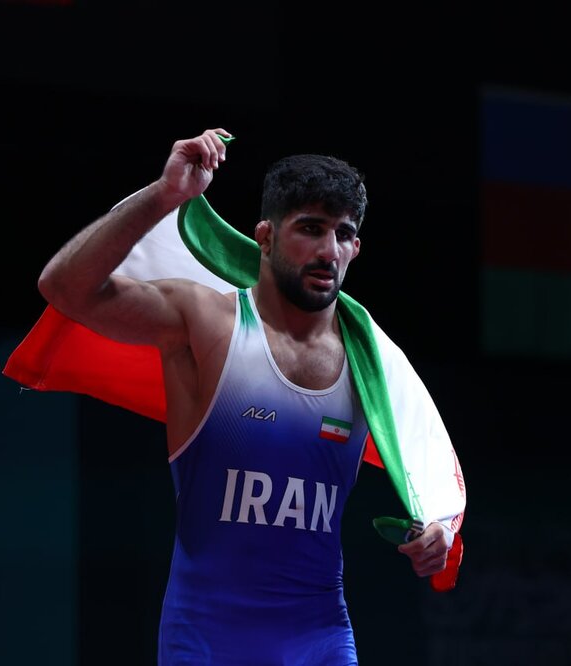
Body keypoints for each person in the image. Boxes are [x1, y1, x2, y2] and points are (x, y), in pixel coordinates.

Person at [34, 128, 461, 665]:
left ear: (356, 248)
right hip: (206, 641)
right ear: (265, 236)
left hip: (320, 639)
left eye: (343, 234)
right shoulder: (205, 321)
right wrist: (165, 195)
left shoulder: (373, 363)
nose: (328, 251)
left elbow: (428, 461)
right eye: (310, 228)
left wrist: (437, 531)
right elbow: (64, 289)